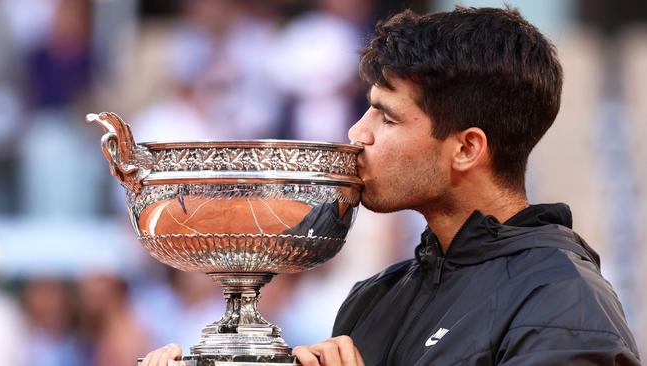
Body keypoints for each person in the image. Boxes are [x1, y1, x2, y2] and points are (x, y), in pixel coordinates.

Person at [141, 6, 642, 365]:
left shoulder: (562, 303)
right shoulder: (375, 298)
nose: (358, 134)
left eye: (387, 116)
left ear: (467, 148)